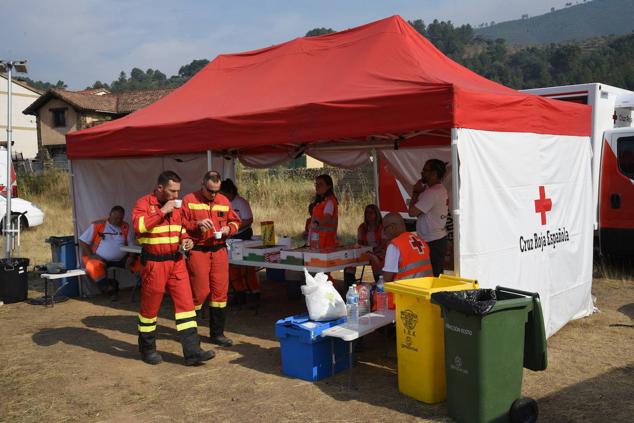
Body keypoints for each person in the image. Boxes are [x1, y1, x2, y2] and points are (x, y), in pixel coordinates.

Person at [132, 170, 214, 366]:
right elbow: (140, 228)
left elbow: (181, 230)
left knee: (186, 308)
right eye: (172, 191)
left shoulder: (176, 208)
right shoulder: (143, 204)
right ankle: (147, 349)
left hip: (177, 262)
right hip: (155, 263)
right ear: (160, 188)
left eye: (179, 191)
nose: (177, 196)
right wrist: (162, 212)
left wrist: (187, 241)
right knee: (149, 310)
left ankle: (193, 352)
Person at [181, 171, 241, 347]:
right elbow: (180, 225)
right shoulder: (189, 200)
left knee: (220, 293)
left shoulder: (223, 200)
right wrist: (196, 225)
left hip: (219, 251)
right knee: (199, 292)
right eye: (210, 190)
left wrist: (229, 230)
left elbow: (235, 221)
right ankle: (190, 333)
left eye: (216, 190)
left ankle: (217, 334)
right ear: (202, 184)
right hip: (199, 250)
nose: (213, 194)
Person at [79, 205, 138, 300]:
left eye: (120, 218)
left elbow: (131, 243)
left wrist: (131, 257)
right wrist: (91, 255)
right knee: (92, 266)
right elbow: (82, 240)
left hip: (122, 259)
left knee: (140, 262)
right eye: (115, 218)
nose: (118, 220)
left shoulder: (125, 226)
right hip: (101, 258)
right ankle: (110, 289)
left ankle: (147, 287)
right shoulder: (98, 224)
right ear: (110, 215)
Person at [220, 178, 260, 305]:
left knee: (246, 265)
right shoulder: (222, 203)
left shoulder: (241, 202)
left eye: (224, 193)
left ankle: (253, 292)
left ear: (231, 191)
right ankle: (239, 292)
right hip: (229, 237)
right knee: (231, 265)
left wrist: (234, 227)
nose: (222, 196)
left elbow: (249, 220)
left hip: (243, 235)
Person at [408, 159, 449, 276]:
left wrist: (415, 192)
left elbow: (412, 212)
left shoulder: (432, 193)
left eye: (425, 170)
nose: (422, 173)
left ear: (434, 174)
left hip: (432, 241)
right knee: (434, 275)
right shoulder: (439, 190)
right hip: (436, 239)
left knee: (431, 277)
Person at [374, 212, 433, 283]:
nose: (383, 232)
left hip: (407, 290)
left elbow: (387, 278)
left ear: (392, 227)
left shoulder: (394, 245)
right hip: (426, 288)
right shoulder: (421, 241)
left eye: (384, 228)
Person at [344, 204, 385, 285]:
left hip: (379, 252)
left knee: (372, 261)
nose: (368, 215)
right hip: (365, 252)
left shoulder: (381, 227)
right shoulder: (362, 227)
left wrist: (373, 252)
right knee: (349, 265)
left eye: (371, 213)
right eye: (367, 213)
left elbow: (383, 244)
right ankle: (351, 286)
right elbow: (359, 243)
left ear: (376, 214)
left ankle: (374, 284)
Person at [308, 174, 338, 249]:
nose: (317, 186)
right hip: (317, 243)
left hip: (326, 245)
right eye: (316, 184)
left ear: (328, 186)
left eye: (320, 184)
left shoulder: (330, 202)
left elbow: (327, 218)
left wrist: (316, 224)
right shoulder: (320, 202)